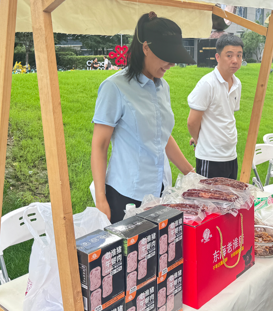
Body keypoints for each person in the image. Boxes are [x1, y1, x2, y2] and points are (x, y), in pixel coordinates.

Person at [91, 12, 196, 223]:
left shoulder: (162, 87)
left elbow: (162, 136)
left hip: (161, 189)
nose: (171, 64)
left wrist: (191, 173)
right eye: (166, 56)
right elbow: (100, 145)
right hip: (127, 193)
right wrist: (101, 200)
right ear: (146, 48)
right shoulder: (115, 87)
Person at [187, 33, 243, 179]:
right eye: (229, 55)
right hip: (210, 157)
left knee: (230, 193)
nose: (235, 60)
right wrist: (199, 139)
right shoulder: (207, 84)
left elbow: (226, 116)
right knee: (209, 194)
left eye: (239, 55)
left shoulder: (237, 84)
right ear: (218, 57)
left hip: (231, 155)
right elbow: (192, 122)